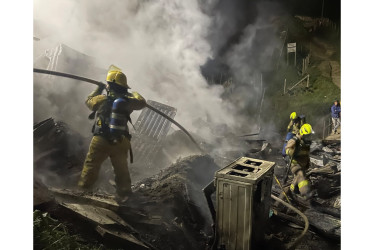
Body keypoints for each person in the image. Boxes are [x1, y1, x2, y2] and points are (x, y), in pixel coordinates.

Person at [78, 65, 146, 202]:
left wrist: (98, 88)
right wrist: (132, 93)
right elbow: (142, 102)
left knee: (91, 165)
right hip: (122, 140)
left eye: (108, 84)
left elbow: (88, 101)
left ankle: (83, 191)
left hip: (101, 139)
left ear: (110, 85)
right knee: (121, 168)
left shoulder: (102, 99)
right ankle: (125, 194)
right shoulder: (128, 102)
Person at [284, 123, 314, 199]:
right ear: (303, 134)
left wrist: (307, 163)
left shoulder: (306, 143)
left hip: (302, 164)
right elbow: (287, 150)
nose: (309, 137)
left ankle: (292, 189)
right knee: (301, 175)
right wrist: (291, 151)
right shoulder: (295, 140)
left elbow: (306, 155)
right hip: (295, 164)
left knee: (298, 177)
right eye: (308, 135)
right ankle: (305, 193)